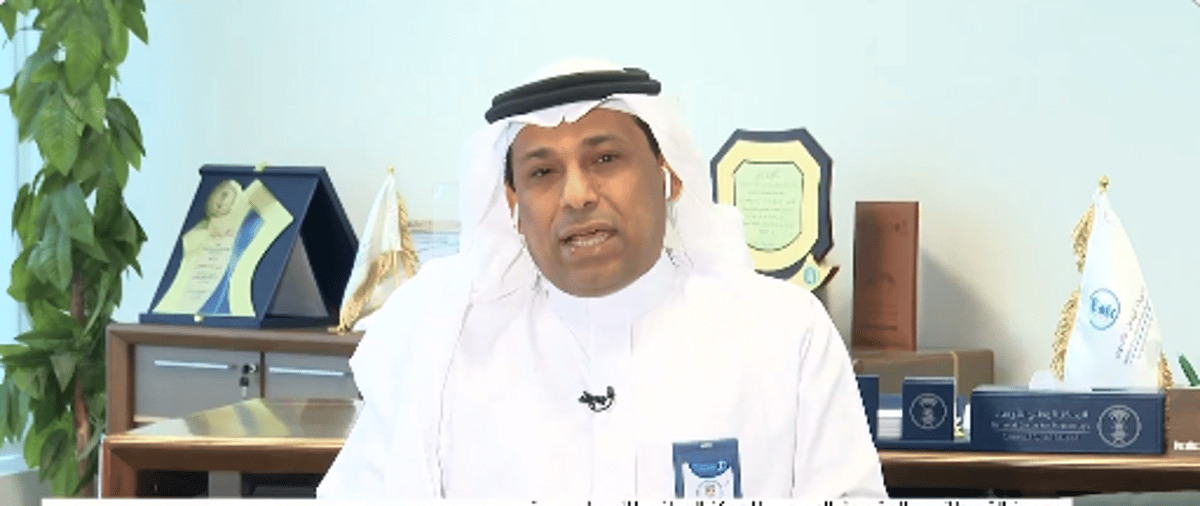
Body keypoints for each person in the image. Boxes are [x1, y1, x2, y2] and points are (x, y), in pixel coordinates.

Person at [317, 59, 887, 499]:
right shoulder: (439, 346)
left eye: (606, 159)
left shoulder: (783, 334)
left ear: (668, 176)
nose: (577, 195)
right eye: (543, 172)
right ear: (513, 202)